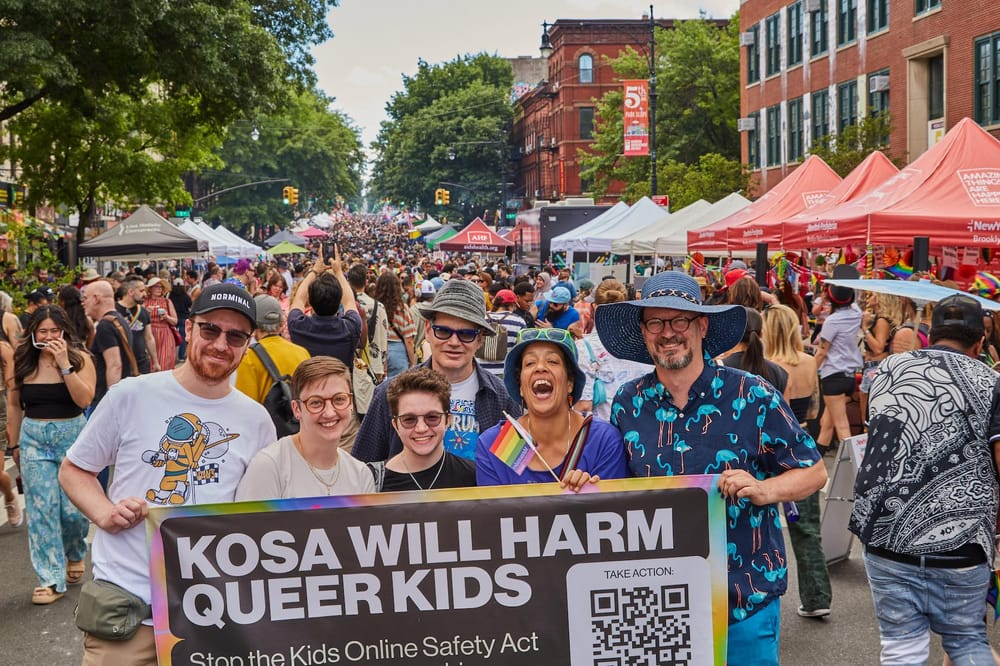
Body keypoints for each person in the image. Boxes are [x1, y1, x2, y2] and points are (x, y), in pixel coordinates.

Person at [596, 271, 827, 666]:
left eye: (680, 320)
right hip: (658, 603)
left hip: (744, 598)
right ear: (643, 332)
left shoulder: (752, 394)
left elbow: (814, 471)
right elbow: (618, 488)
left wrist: (766, 489)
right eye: (655, 321)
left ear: (701, 326)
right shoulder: (628, 403)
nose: (668, 332)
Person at [60, 283, 276, 665]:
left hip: (212, 619)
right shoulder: (131, 395)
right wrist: (105, 513)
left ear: (248, 343)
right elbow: (75, 470)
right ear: (189, 329)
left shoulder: (257, 421)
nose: (221, 345)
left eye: (236, 336)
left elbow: (259, 513)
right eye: (210, 330)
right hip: (128, 617)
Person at [851, 295, 1000, 665]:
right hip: (962, 543)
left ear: (929, 335)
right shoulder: (993, 381)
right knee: (966, 641)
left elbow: (879, 430)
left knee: (902, 647)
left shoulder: (885, 370)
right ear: (980, 342)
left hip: (885, 533)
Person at [352, 279, 521, 463]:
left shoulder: (501, 397)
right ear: (428, 330)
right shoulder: (388, 394)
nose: (454, 342)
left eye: (466, 334)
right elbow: (363, 467)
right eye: (443, 331)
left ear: (479, 340)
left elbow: (515, 465)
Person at [7, 305, 96, 604]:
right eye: (41, 331)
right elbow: (14, 405)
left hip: (72, 437)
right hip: (33, 438)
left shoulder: (80, 358)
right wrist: (15, 444)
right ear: (32, 333)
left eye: (53, 331)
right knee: (42, 509)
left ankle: (74, 553)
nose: (47, 337)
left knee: (72, 511)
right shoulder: (22, 362)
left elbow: (84, 399)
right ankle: (50, 578)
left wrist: (63, 365)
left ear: (63, 331)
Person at [476, 328, 627, 488]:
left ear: (570, 383)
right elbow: (496, 511)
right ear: (520, 386)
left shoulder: (603, 441)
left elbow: (611, 509)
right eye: (530, 363)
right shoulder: (494, 445)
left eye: (553, 361)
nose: (540, 367)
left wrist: (590, 494)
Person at [761, 303, 831, 619]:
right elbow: (815, 409)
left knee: (760, 528)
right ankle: (817, 596)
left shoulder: (765, 367)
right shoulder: (808, 362)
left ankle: (759, 599)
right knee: (807, 529)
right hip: (801, 448)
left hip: (766, 452)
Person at [236, 357, 374, 500]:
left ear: (351, 403)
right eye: (316, 403)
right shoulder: (269, 467)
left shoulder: (361, 474)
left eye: (339, 399)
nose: (329, 412)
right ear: (297, 409)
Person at [371, 367, 476, 492]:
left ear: (448, 420)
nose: (421, 428)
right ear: (396, 425)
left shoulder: (473, 476)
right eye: (409, 419)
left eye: (432, 417)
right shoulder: (372, 482)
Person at [573, 279, 651, 422]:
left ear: (595, 308)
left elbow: (583, 406)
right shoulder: (645, 343)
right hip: (642, 432)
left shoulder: (585, 348)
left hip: (605, 436)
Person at [287, 246, 362, 369]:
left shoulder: (298, 326)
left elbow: (298, 300)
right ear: (339, 303)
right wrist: (338, 271)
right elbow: (349, 301)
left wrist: (314, 271)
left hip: (308, 386)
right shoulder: (350, 327)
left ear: (310, 302)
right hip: (340, 386)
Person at [813, 281, 863, 455]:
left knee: (842, 427)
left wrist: (811, 373)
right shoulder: (857, 313)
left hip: (833, 375)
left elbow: (822, 352)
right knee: (826, 423)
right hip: (849, 375)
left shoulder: (832, 321)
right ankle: (816, 462)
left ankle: (856, 469)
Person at [235, 295, 310, 404]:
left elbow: (245, 405)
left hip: (265, 420)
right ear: (280, 325)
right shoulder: (302, 352)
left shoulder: (247, 357)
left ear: (253, 326)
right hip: (298, 419)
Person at [84, 280, 136, 409]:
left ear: (96, 298)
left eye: (86, 298)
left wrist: (111, 403)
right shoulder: (118, 320)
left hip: (105, 400)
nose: (83, 303)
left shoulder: (105, 326)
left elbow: (115, 365)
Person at [347, 264, 388, 420]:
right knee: (372, 417)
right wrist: (383, 366)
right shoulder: (379, 307)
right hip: (373, 367)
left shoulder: (345, 307)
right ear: (366, 281)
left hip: (351, 367)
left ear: (348, 282)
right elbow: (383, 340)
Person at [718, 307, 788, 390]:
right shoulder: (779, 372)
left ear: (730, 334)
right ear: (761, 334)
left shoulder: (719, 369)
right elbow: (783, 403)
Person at [375, 271, 415, 380]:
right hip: (398, 353)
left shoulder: (374, 307)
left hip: (377, 350)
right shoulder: (403, 309)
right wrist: (412, 363)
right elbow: (409, 340)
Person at [479, 289, 527, 377]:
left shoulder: (481, 318)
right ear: (512, 305)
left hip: (480, 371)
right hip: (504, 373)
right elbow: (521, 350)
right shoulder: (519, 321)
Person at [116, 276, 158, 374]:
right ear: (130, 292)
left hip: (142, 364)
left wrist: (155, 361)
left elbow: (149, 338)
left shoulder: (143, 312)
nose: (145, 294)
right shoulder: (114, 311)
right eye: (141, 291)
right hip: (121, 364)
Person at [145, 277, 178, 371]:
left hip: (165, 335)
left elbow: (175, 321)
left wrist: (167, 317)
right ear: (150, 288)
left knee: (165, 363)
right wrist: (146, 313)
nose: (159, 289)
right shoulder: (144, 302)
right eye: (157, 286)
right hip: (149, 334)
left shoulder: (167, 301)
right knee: (150, 365)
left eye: (161, 287)